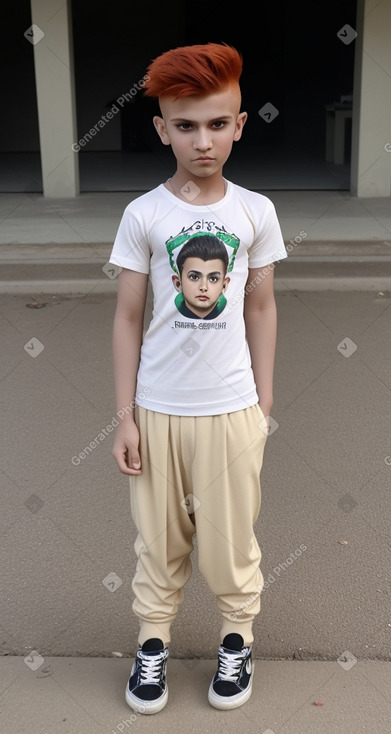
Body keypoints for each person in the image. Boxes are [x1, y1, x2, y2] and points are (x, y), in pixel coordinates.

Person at [109, 42, 287, 715]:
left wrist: (263, 399)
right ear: (161, 129)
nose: (202, 140)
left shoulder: (255, 212)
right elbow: (128, 316)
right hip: (156, 410)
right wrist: (124, 415)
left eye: (217, 123)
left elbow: (260, 305)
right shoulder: (143, 215)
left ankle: (235, 642)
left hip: (232, 412)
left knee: (230, 540)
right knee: (157, 540)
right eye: (185, 125)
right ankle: (151, 646)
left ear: (240, 124)